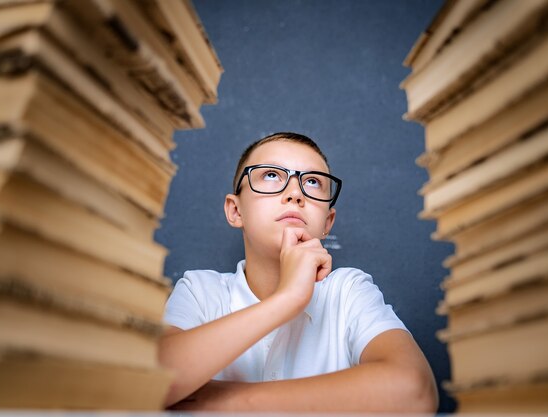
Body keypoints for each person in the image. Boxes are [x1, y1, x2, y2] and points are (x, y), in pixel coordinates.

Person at [158, 132, 438, 412]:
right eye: (270, 175)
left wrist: (227, 400)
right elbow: (151, 379)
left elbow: (415, 392)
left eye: (313, 182)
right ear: (235, 211)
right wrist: (288, 298)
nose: (295, 193)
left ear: (327, 221)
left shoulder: (348, 291)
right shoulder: (201, 290)